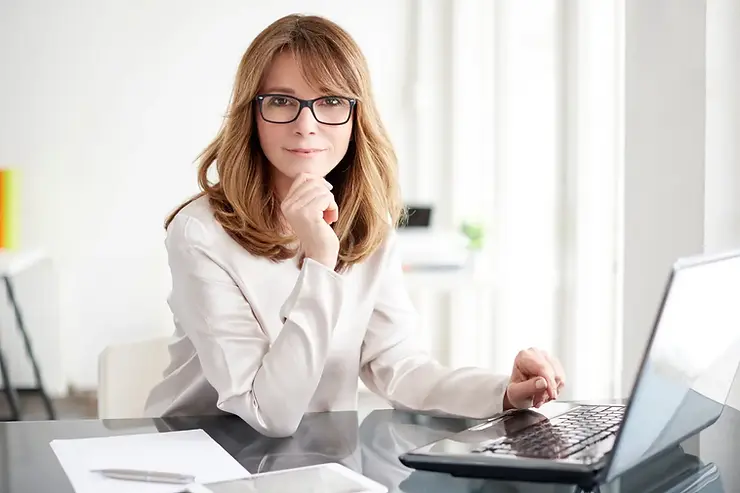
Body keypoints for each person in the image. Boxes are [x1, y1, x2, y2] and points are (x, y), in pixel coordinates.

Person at [144, 13, 566, 437]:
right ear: (251, 114)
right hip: (203, 456)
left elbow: (400, 369)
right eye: (280, 100)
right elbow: (268, 413)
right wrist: (321, 263)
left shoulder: (368, 226)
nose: (305, 124)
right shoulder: (200, 233)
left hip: (315, 458)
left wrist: (504, 393)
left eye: (330, 100)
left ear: (354, 117)